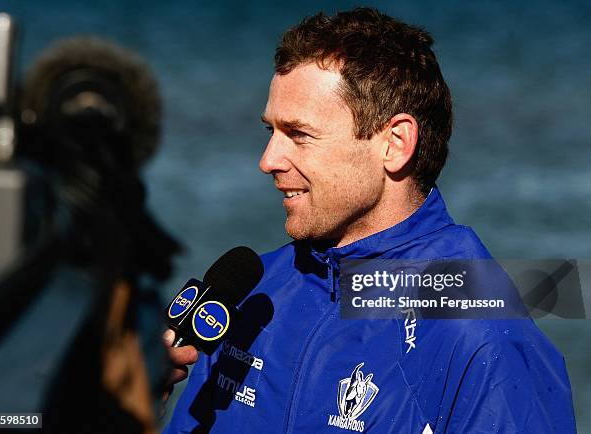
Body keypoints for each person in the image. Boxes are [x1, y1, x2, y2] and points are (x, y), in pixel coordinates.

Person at [162, 8, 576, 433]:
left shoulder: (479, 333)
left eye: (299, 134)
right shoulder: (253, 294)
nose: (267, 161)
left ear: (395, 144)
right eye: (271, 132)